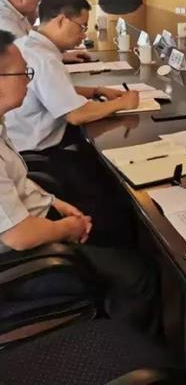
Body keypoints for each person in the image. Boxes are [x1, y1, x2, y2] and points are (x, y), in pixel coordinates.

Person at [0, 29, 158, 333]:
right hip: (20, 265)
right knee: (139, 275)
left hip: (32, 222)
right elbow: (20, 236)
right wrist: (68, 228)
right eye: (23, 73)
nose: (29, 81)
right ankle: (121, 345)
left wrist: (54, 202)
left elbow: (17, 181)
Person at [5, 0, 139, 153]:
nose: (84, 36)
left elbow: (51, 90)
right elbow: (77, 115)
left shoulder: (26, 45)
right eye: (82, 27)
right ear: (62, 21)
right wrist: (123, 103)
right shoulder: (45, 60)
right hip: (34, 153)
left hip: (16, 141)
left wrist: (96, 91)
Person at [0, 0, 90, 63]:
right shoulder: (4, 18)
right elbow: (25, 49)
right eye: (36, 3)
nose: (37, 9)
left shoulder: (17, 13)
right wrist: (59, 56)